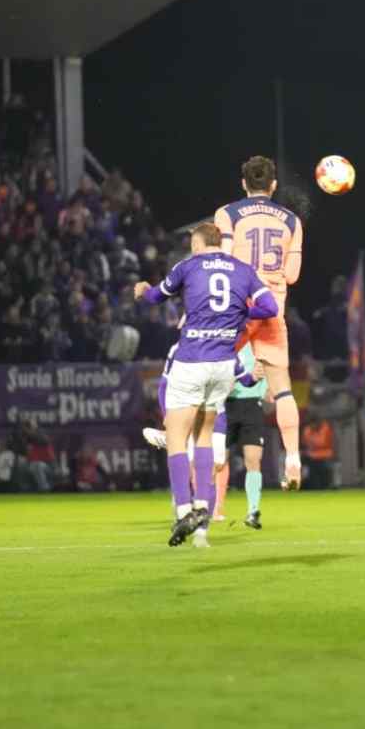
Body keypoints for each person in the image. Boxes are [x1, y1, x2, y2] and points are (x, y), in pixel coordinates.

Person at [134, 223, 277, 547]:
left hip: (192, 359)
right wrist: (241, 315)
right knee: (204, 434)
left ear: (198, 244)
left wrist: (143, 290)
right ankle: (202, 506)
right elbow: (270, 307)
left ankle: (185, 509)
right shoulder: (243, 270)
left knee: (175, 436)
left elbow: (157, 296)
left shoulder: (189, 265)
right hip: (224, 364)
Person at [214, 156, 306, 490]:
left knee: (206, 378)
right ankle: (293, 460)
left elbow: (222, 261)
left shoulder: (228, 214)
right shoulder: (292, 221)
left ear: (243, 183)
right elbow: (292, 275)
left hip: (236, 310)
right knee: (282, 392)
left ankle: (210, 454)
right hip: (270, 311)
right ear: (273, 185)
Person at [214, 344, 269, 529]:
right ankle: (213, 507)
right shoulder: (225, 343)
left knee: (253, 460)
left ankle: (253, 510)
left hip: (252, 405)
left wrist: (269, 389)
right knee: (219, 460)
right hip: (225, 406)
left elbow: (269, 370)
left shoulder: (258, 346)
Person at [301, 412, 337, 490]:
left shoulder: (325, 428)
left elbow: (322, 443)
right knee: (304, 462)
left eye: (314, 423)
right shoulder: (307, 429)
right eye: (310, 424)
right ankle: (306, 483)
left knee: (318, 465)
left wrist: (312, 443)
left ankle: (323, 485)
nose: (312, 426)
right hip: (310, 456)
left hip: (325, 455)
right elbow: (305, 443)